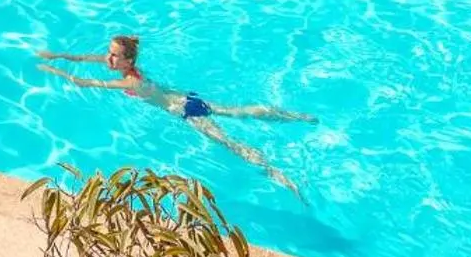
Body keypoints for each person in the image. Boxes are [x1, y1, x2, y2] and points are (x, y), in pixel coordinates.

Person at [38, 35, 313, 196]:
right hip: (186, 97)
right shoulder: (122, 65)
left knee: (230, 143)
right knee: (236, 112)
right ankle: (293, 117)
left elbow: (85, 83)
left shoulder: (130, 81)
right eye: (109, 54)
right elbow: (83, 59)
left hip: (184, 109)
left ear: (129, 62)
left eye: (114, 56)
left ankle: (275, 172)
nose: (108, 59)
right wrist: (56, 55)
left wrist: (55, 72)